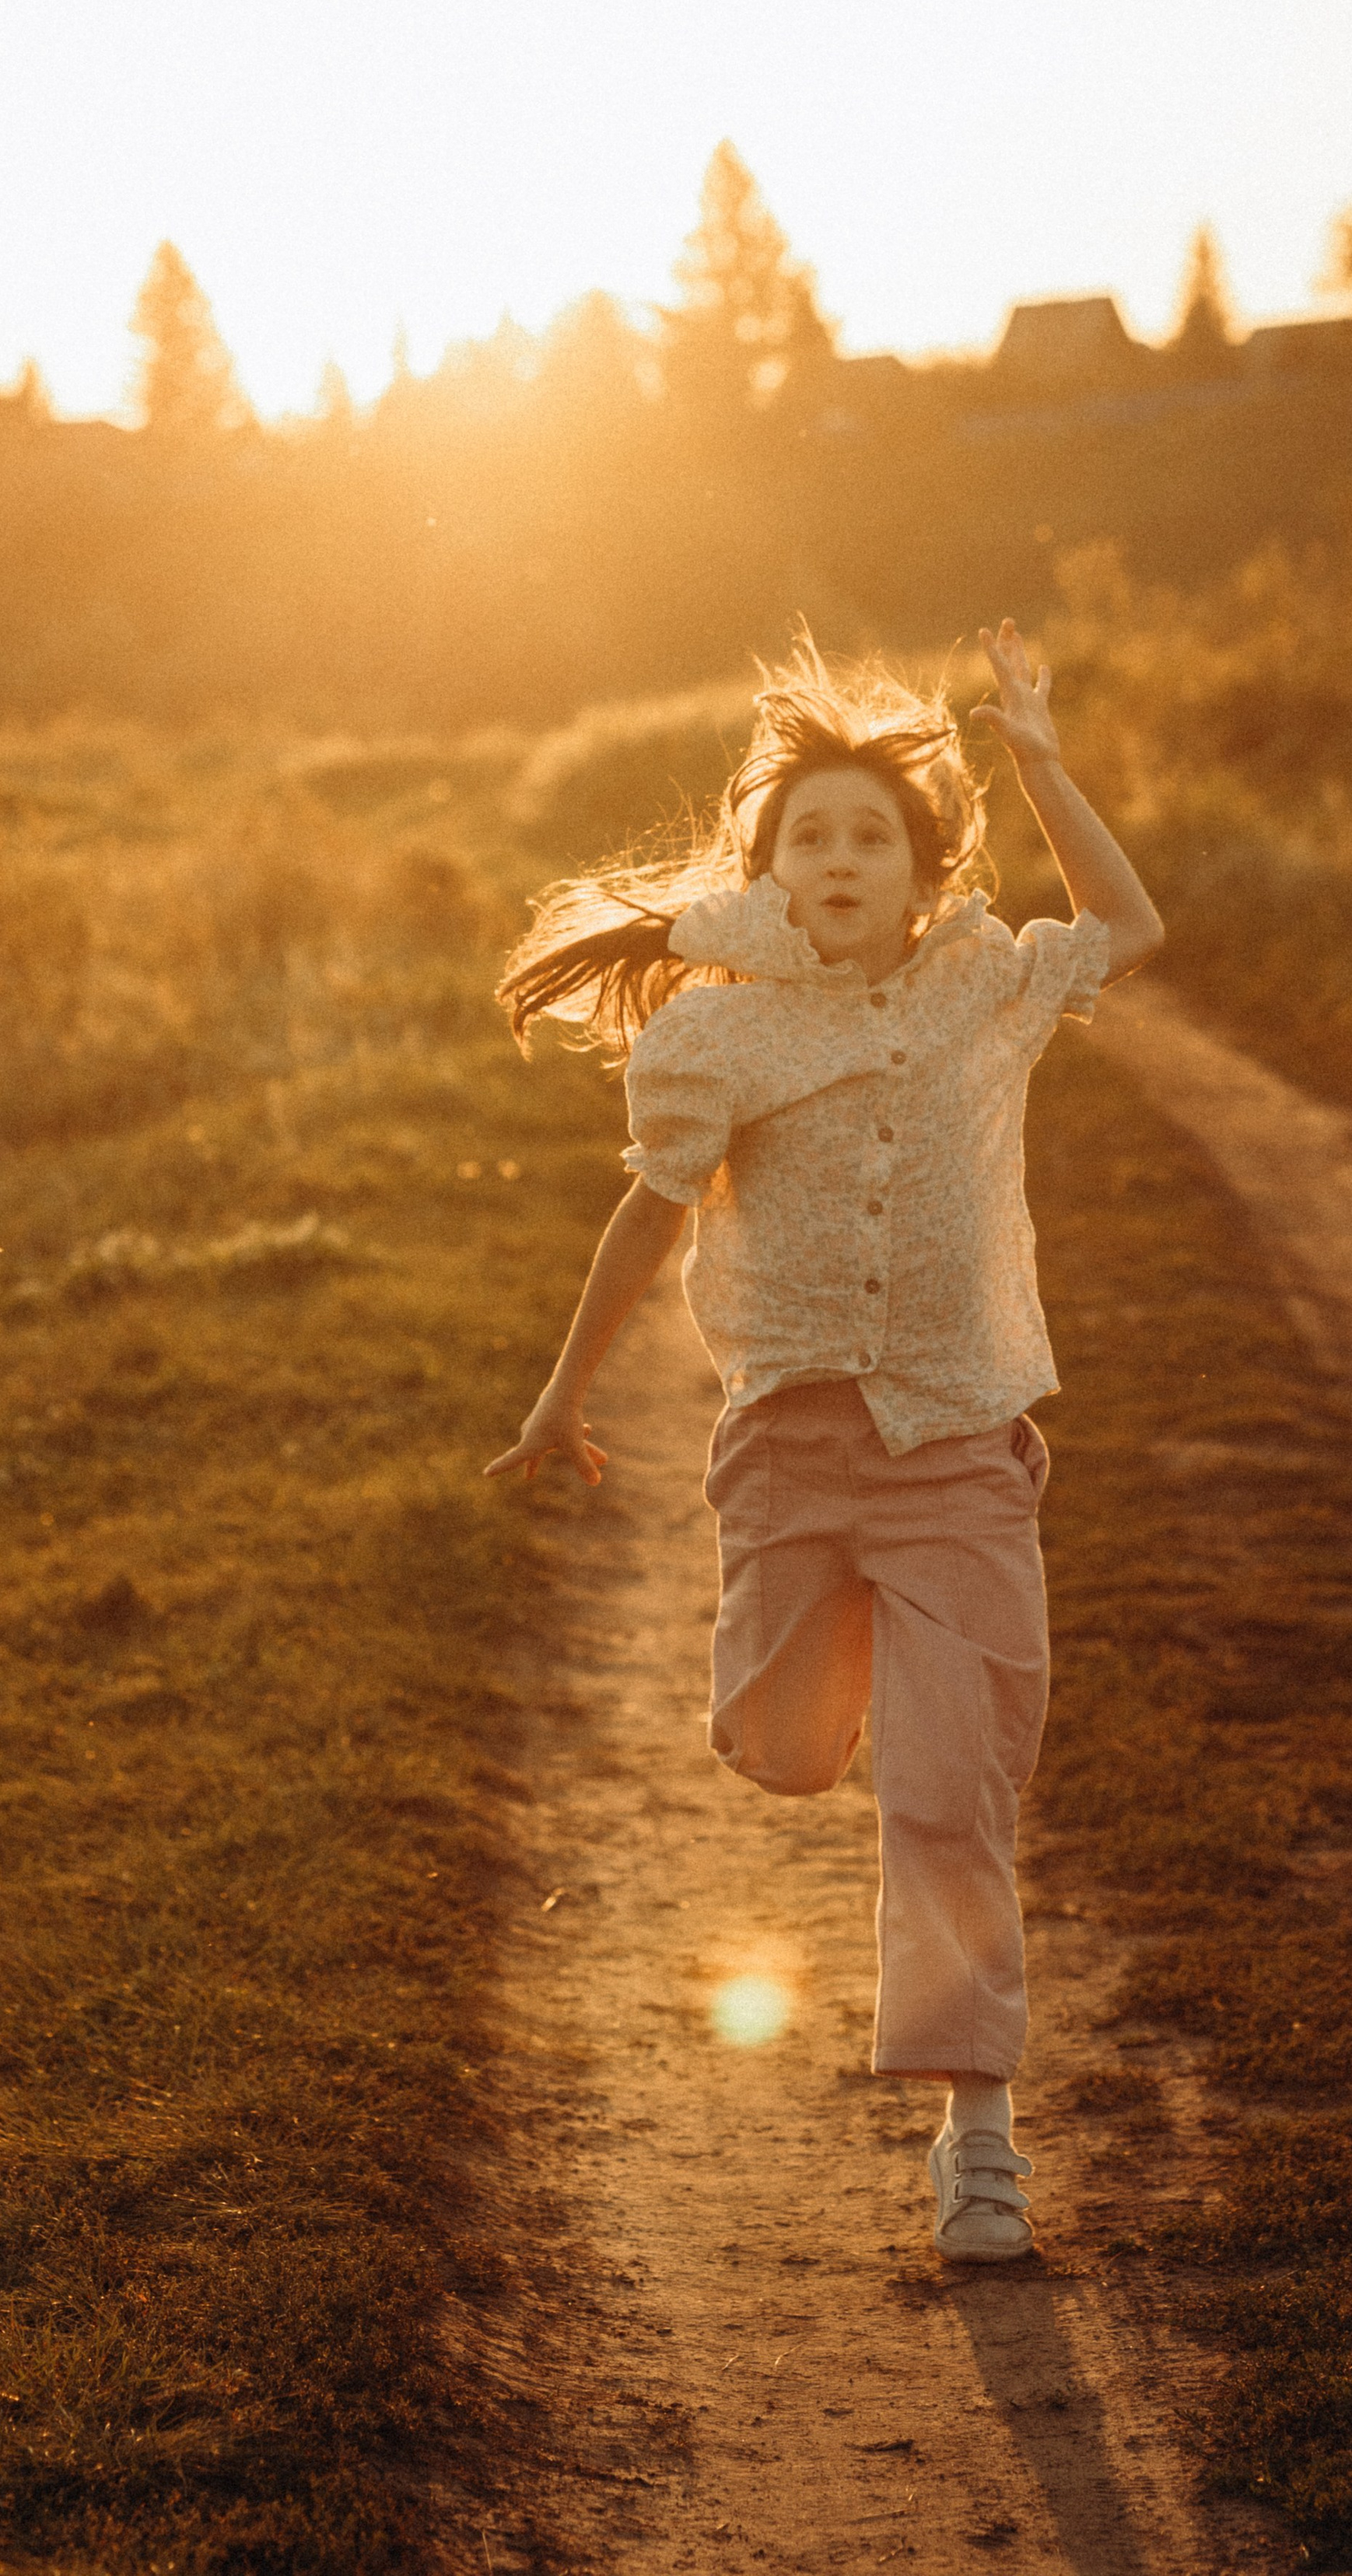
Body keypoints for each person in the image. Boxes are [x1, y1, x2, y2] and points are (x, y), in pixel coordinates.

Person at [485, 624, 1164, 2261]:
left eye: (872, 836)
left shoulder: (984, 983)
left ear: (923, 871)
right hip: (788, 1449)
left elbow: (1132, 926)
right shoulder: (716, 1032)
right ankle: (860, 1684)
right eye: (811, 836)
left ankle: (976, 2138)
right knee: (784, 1750)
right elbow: (646, 1221)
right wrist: (561, 1394)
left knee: (945, 1802)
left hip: (959, 1450)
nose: (842, 857)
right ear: (770, 868)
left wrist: (1037, 755)